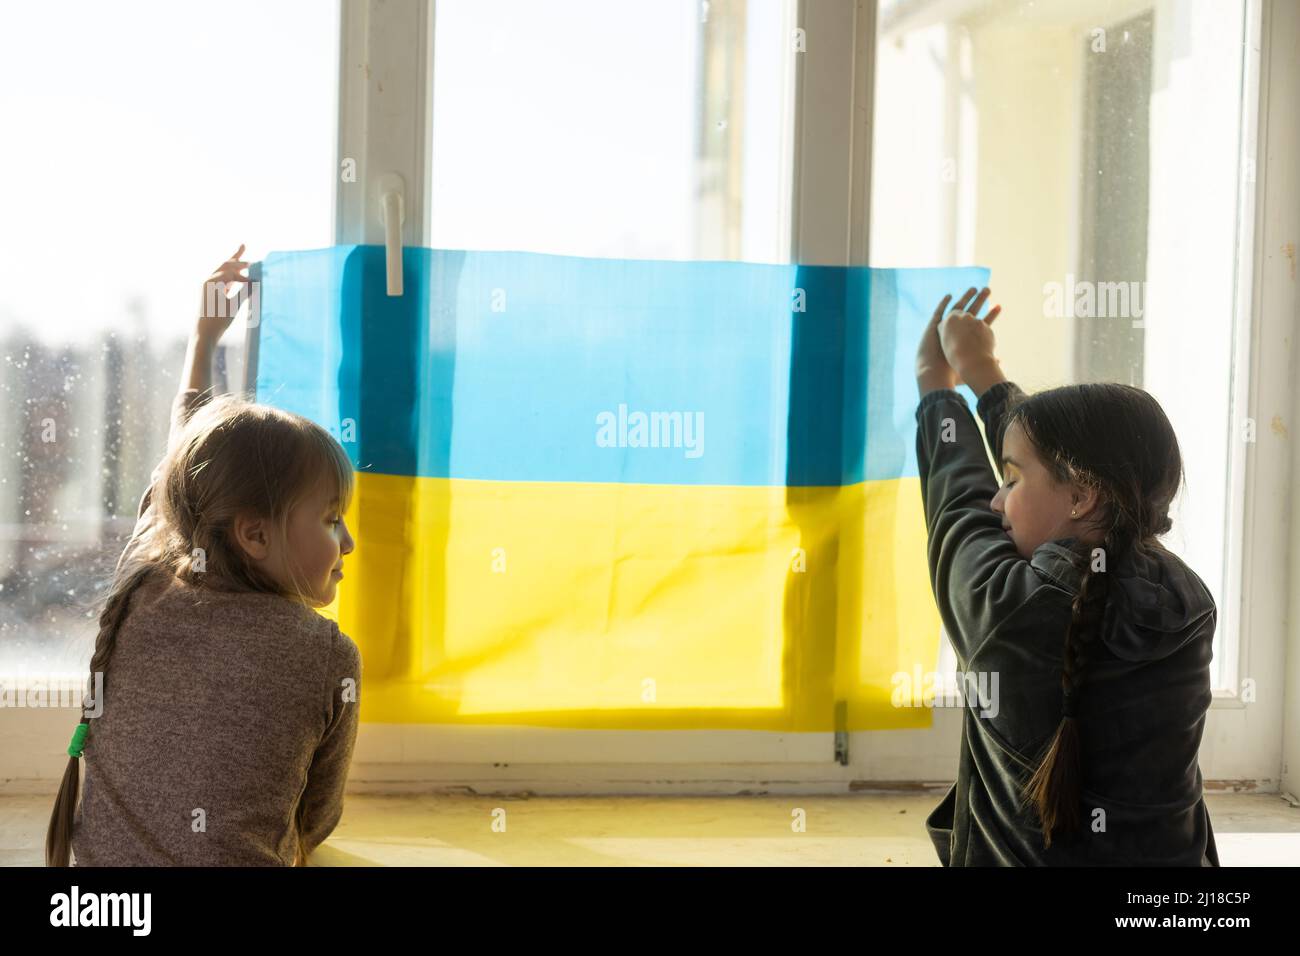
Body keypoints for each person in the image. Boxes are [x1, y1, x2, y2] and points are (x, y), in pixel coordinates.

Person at [46, 245, 361, 866]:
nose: (347, 541)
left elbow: (187, 474)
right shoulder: (328, 653)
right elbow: (314, 824)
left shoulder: (144, 585)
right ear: (254, 535)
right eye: (330, 520)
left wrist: (203, 338)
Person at [913, 287, 1219, 865]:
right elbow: (1058, 454)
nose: (997, 502)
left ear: (1080, 497)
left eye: (1010, 480)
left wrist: (937, 383)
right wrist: (986, 374)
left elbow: (958, 504)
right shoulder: (1189, 597)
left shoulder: (1005, 606)